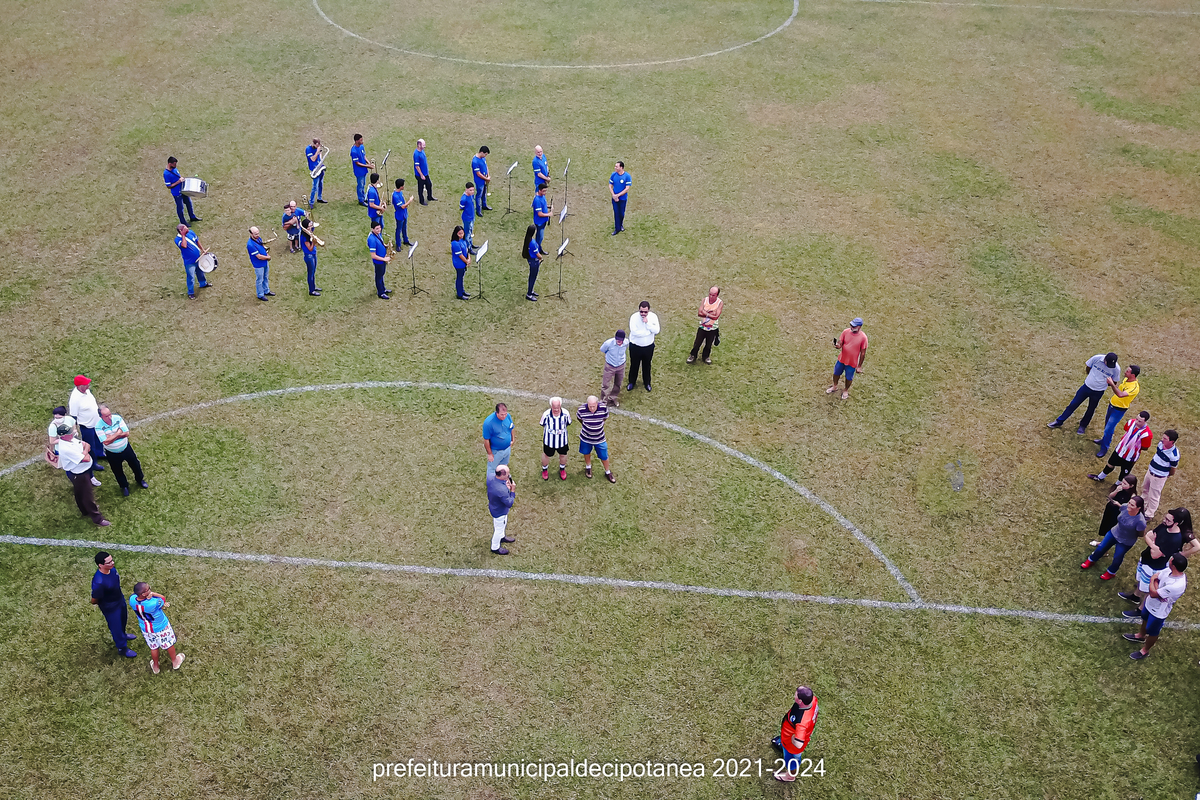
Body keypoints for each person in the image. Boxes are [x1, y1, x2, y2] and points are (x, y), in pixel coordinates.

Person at [1120, 508, 1197, 610]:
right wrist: (1154, 544)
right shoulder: (1164, 526)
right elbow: (1147, 535)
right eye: (1165, 518)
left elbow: (1155, 555)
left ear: (1177, 523)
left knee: (1149, 588)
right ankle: (1136, 596)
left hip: (1155, 566)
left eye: (1168, 520)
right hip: (1146, 560)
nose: (1164, 520)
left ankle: (1141, 609)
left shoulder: (1175, 539)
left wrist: (1153, 543)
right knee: (1141, 580)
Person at [1123, 553, 1187, 660]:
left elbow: (1153, 592)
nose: (1169, 559)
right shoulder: (1168, 570)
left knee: (1153, 631)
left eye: (1171, 559)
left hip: (1159, 611)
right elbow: (1156, 583)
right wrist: (1156, 587)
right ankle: (1140, 636)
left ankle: (1144, 651)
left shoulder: (1177, 585)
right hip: (1149, 603)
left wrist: (1153, 581)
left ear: (1174, 565)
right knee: (1144, 618)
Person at [51, 421, 110, 526]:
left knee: (79, 492)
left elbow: (86, 445)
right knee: (88, 496)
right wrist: (85, 452)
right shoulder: (66, 448)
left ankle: (84, 510)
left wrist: (84, 451)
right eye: (69, 432)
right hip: (79, 474)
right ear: (63, 436)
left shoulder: (70, 439)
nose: (72, 433)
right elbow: (86, 458)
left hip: (80, 472)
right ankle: (97, 519)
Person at [1047, 352, 1120, 433]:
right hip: (1086, 387)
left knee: (1091, 409)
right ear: (1105, 359)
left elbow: (1114, 382)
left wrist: (1101, 384)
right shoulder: (1097, 358)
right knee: (1073, 404)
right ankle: (1059, 421)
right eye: (1108, 363)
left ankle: (1083, 426)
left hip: (1098, 392)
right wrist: (1091, 378)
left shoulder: (1116, 369)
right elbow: (1088, 367)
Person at [1080, 495, 1146, 579]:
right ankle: (1091, 560)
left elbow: (1141, 534)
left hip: (1125, 541)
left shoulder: (1140, 521)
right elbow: (1122, 508)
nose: (1129, 505)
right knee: (1101, 547)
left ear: (1138, 508)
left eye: (1132, 505)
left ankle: (1111, 572)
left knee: (1117, 557)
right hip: (1114, 532)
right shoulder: (1125, 506)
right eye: (1129, 502)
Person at [130, 581, 185, 674]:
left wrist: (147, 594)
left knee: (154, 647)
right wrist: (153, 594)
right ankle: (175, 662)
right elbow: (162, 599)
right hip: (160, 627)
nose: (150, 590)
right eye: (148, 589)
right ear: (143, 594)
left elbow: (136, 598)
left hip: (146, 629)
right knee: (168, 643)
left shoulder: (132, 600)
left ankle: (156, 666)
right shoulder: (153, 603)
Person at [91, 552, 138, 658]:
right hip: (110, 607)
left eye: (112, 560)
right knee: (115, 626)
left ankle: (123, 634)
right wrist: (106, 605)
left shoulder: (112, 570)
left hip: (119, 600)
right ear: (100, 565)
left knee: (123, 619)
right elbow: (94, 599)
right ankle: (122, 648)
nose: (113, 563)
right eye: (109, 562)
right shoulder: (99, 582)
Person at [96, 404, 147, 497]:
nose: (110, 417)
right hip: (112, 453)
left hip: (126, 448)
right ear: (101, 417)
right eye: (106, 416)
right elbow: (106, 442)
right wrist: (118, 433)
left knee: (135, 464)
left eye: (110, 414)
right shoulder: (98, 426)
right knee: (117, 471)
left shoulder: (117, 418)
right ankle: (124, 486)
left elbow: (126, 433)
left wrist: (111, 437)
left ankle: (140, 480)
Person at [1088, 411, 1151, 483]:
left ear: (1145, 422)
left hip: (1131, 456)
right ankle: (1100, 477)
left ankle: (1118, 484)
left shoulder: (1147, 434)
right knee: (1110, 463)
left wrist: (1134, 447)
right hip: (1120, 449)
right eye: (1136, 419)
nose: (1136, 422)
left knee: (1124, 472)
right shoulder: (1131, 422)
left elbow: (1145, 447)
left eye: (1139, 421)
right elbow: (1126, 429)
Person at [773, 686, 819, 782]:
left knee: (792, 761)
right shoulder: (813, 700)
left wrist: (792, 738)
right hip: (788, 738)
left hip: (792, 747)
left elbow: (798, 744)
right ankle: (783, 745)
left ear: (800, 701)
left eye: (796, 695)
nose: (794, 695)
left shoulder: (802, 723)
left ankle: (790, 776)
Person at [1095, 365, 1141, 458]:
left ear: (1133, 375)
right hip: (1112, 405)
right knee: (1107, 424)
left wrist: (1112, 384)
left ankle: (1104, 448)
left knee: (1109, 429)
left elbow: (1120, 394)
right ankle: (1104, 440)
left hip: (1118, 410)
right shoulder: (1126, 380)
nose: (1125, 372)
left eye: (1127, 371)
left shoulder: (1134, 387)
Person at [1141, 430, 1180, 519]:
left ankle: (1149, 514)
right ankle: (1142, 504)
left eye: (1165, 438)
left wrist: (1164, 475)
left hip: (1158, 477)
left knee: (1153, 496)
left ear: (1172, 442)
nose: (1162, 440)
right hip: (1150, 472)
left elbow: (1173, 470)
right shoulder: (1160, 444)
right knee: (1145, 489)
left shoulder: (1174, 455)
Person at [69, 375, 106, 470]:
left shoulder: (87, 391)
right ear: (79, 386)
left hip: (96, 422)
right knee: (90, 445)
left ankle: (100, 454)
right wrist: (74, 428)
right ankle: (93, 463)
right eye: (86, 384)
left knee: (99, 440)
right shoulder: (75, 399)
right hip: (87, 426)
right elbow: (73, 416)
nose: (88, 385)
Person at [1089, 475, 1137, 547]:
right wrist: (1116, 490)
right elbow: (1110, 496)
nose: (1122, 484)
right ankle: (1103, 543)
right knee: (1105, 527)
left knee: (1112, 531)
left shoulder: (1132, 496)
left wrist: (1119, 505)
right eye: (1122, 482)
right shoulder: (1120, 488)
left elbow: (1128, 509)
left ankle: (1104, 548)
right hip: (1110, 510)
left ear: (1131, 486)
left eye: (1125, 484)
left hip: (1118, 514)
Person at [828, 318, 868, 400]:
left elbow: (863, 353)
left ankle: (845, 390)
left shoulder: (863, 338)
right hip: (841, 359)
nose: (851, 327)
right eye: (851, 325)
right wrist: (838, 346)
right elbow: (840, 343)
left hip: (852, 363)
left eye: (854, 326)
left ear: (859, 327)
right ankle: (834, 386)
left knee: (849, 378)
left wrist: (859, 366)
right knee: (836, 373)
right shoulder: (845, 332)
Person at [577, 396, 615, 482]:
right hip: (586, 438)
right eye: (590, 406)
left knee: (604, 456)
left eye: (594, 406)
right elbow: (580, 419)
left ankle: (607, 471)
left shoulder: (603, 408)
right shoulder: (581, 410)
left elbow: (605, 418)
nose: (592, 408)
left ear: (597, 404)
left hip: (600, 438)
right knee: (586, 452)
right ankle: (588, 467)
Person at [627, 301, 660, 393]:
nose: (643, 314)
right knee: (634, 365)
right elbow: (634, 332)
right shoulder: (634, 317)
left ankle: (647, 383)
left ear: (648, 310)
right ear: (639, 310)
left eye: (645, 312)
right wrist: (648, 332)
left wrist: (648, 324)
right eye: (641, 311)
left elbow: (657, 330)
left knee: (647, 365)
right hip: (635, 346)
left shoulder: (653, 317)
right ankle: (631, 382)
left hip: (648, 347)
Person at [687, 286, 723, 365]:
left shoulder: (720, 303)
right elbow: (699, 313)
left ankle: (706, 356)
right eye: (710, 294)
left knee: (709, 344)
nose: (711, 296)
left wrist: (705, 313)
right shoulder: (705, 300)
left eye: (713, 295)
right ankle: (693, 355)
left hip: (712, 327)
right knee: (697, 342)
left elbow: (716, 316)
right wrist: (710, 314)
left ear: (717, 295)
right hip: (702, 326)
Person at [174, 223, 211, 298]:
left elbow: (197, 241)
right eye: (185, 228)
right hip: (189, 262)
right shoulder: (177, 239)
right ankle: (190, 292)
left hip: (198, 258)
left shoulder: (191, 232)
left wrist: (203, 250)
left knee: (200, 272)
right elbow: (184, 245)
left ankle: (203, 283)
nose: (187, 228)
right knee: (191, 277)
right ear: (181, 231)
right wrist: (183, 236)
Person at [540, 397, 571, 481]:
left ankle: (562, 469)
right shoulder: (546, 414)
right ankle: (545, 470)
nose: (556, 410)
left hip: (562, 441)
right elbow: (542, 423)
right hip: (549, 441)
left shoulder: (565, 413)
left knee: (563, 454)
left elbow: (568, 423)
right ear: (551, 406)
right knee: (546, 454)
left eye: (558, 407)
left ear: (560, 405)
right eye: (554, 408)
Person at [487, 465, 516, 555]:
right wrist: (512, 491)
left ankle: (502, 536)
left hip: (494, 507)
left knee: (501, 525)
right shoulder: (501, 491)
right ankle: (495, 547)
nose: (509, 476)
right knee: (498, 529)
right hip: (500, 511)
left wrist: (504, 485)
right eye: (507, 474)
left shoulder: (490, 477)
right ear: (502, 476)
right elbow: (509, 503)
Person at [163, 156, 200, 225]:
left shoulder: (174, 169)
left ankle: (192, 217)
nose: (175, 165)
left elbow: (178, 177)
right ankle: (183, 222)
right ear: (170, 164)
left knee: (189, 203)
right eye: (174, 164)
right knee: (180, 207)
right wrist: (179, 181)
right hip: (176, 193)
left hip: (183, 190)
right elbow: (169, 186)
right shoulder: (166, 174)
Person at [482, 403, 515, 479]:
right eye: (502, 415)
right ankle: (491, 483)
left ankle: (502, 480)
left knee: (504, 466)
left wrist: (512, 439)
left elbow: (511, 428)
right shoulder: (488, 423)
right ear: (496, 413)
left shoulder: (508, 416)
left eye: (505, 414)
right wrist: (490, 454)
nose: (504, 416)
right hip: (496, 451)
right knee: (492, 469)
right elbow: (486, 439)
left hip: (507, 449)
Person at [600, 330, 629, 407]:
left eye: (621, 341)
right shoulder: (608, 343)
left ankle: (612, 398)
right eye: (618, 340)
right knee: (606, 384)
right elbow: (603, 349)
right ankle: (603, 401)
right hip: (610, 366)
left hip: (621, 366)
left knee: (618, 383)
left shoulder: (626, 342)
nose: (619, 342)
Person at [246, 226, 272, 301]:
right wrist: (268, 257)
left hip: (264, 262)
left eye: (258, 233)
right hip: (258, 265)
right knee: (260, 280)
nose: (258, 235)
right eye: (255, 234)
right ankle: (260, 295)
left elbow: (262, 245)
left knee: (266, 277)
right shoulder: (250, 245)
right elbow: (259, 257)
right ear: (251, 234)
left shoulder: (258, 238)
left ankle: (266, 290)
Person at [368, 221, 390, 300]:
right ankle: (380, 293)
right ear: (372, 229)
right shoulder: (372, 239)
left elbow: (380, 241)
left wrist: (385, 246)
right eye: (377, 229)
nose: (379, 230)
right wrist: (384, 259)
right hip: (379, 262)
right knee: (379, 276)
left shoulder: (378, 234)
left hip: (382, 260)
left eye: (379, 228)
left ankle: (383, 289)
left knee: (382, 275)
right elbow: (373, 255)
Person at [301, 218, 321, 296]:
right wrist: (314, 242)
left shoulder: (309, 232)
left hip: (313, 254)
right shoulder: (305, 237)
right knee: (311, 273)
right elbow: (310, 248)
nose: (311, 227)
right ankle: (311, 290)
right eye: (309, 226)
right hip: (309, 256)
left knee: (313, 271)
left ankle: (313, 286)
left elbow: (314, 225)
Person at [609, 161, 631, 235]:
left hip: (622, 199)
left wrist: (618, 195)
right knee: (616, 213)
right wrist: (613, 195)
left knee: (621, 213)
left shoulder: (627, 176)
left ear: (621, 167)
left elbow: (627, 189)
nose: (615, 168)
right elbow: (610, 185)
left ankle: (620, 225)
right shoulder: (613, 175)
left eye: (616, 166)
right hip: (615, 199)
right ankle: (617, 228)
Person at [350, 134, 373, 205]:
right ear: (356, 141)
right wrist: (367, 166)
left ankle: (363, 198)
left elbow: (364, 156)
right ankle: (361, 200)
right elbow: (357, 163)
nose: (362, 141)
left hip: (364, 170)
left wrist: (369, 163)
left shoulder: (361, 147)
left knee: (363, 184)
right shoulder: (353, 151)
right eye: (361, 140)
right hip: (359, 171)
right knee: (360, 185)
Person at [451, 225, 471, 300]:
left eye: (462, 233)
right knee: (459, 278)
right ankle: (459, 294)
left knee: (462, 277)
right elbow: (460, 255)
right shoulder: (455, 243)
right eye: (459, 234)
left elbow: (466, 250)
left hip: (464, 262)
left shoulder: (463, 240)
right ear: (456, 234)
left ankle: (462, 291)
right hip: (459, 264)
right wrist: (467, 261)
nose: (461, 235)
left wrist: (469, 258)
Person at [413, 138, 436, 205]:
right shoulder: (416, 154)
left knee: (429, 184)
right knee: (421, 188)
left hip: (425, 173)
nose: (424, 146)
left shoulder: (422, 151)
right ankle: (421, 201)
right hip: (420, 175)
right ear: (419, 145)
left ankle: (429, 197)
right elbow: (417, 166)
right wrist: (421, 175)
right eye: (423, 145)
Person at [522, 225, 541, 301]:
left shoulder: (528, 239)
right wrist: (541, 258)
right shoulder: (532, 243)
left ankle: (531, 290)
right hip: (534, 262)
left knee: (532, 277)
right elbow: (538, 255)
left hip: (531, 260)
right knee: (533, 277)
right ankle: (529, 294)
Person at [392, 178, 413, 250]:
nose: (404, 186)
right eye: (403, 185)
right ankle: (398, 244)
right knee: (399, 230)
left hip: (404, 214)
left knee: (404, 228)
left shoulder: (400, 192)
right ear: (400, 186)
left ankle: (406, 240)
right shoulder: (395, 196)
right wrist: (410, 201)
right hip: (399, 215)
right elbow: (403, 206)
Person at [306, 138, 327, 206]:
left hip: (320, 167)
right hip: (314, 169)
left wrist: (320, 154)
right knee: (315, 186)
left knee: (320, 184)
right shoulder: (308, 149)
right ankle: (311, 202)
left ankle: (319, 198)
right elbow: (312, 159)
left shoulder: (317, 148)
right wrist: (317, 151)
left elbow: (319, 158)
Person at [532, 183, 551, 254]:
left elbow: (544, 205)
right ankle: (538, 250)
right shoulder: (537, 200)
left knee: (540, 237)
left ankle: (538, 248)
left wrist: (549, 207)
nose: (545, 193)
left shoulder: (543, 197)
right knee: (540, 237)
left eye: (546, 191)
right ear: (539, 190)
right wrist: (549, 214)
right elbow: (539, 214)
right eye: (543, 191)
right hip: (539, 222)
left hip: (543, 221)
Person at [472, 145, 491, 213]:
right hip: (479, 181)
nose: (485, 156)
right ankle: (478, 210)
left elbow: (486, 167)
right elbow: (478, 173)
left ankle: (484, 205)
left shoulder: (483, 158)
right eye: (485, 154)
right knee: (479, 195)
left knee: (484, 193)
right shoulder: (475, 161)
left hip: (485, 179)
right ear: (482, 152)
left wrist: (488, 176)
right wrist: (486, 178)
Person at [460, 183, 478, 253]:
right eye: (470, 190)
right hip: (467, 218)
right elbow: (461, 207)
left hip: (472, 217)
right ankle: (469, 248)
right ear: (466, 190)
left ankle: (471, 243)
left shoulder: (471, 195)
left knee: (471, 231)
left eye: (473, 190)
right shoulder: (463, 199)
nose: (472, 192)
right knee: (467, 233)